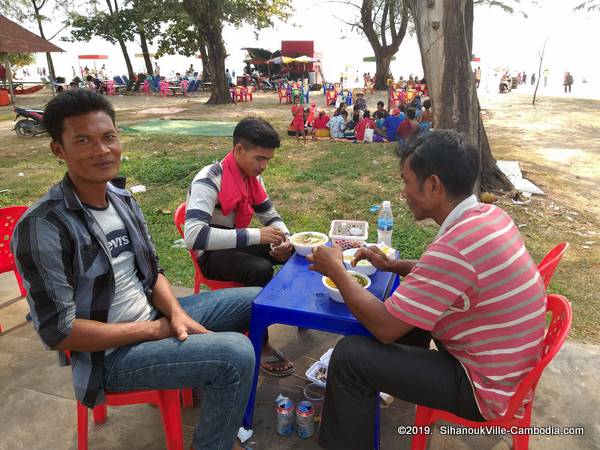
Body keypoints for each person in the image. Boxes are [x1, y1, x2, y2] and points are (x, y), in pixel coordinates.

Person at [11, 89, 257, 450]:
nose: (102, 150)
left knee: (258, 301)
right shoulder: (43, 227)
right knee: (235, 355)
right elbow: (58, 332)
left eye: (108, 136)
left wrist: (174, 313)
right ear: (59, 150)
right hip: (109, 359)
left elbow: (152, 270)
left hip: (155, 316)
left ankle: (208, 384)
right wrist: (154, 330)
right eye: (83, 140)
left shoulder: (122, 199)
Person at [308, 130, 546, 450]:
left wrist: (336, 270)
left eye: (406, 182)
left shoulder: (456, 246)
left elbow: (384, 327)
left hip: (482, 388)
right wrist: (394, 266)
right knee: (409, 312)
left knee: (350, 357)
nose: (404, 192)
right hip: (504, 368)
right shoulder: (488, 216)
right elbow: (451, 277)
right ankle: (369, 399)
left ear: (433, 186)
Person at [184, 117, 295, 376]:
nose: (264, 166)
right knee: (259, 268)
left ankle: (294, 311)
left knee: (292, 250)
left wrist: (286, 239)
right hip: (210, 253)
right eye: (259, 159)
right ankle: (261, 342)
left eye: (268, 160)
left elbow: (270, 216)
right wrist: (256, 236)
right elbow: (194, 236)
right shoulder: (209, 179)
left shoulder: (252, 179)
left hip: (235, 241)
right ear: (238, 150)